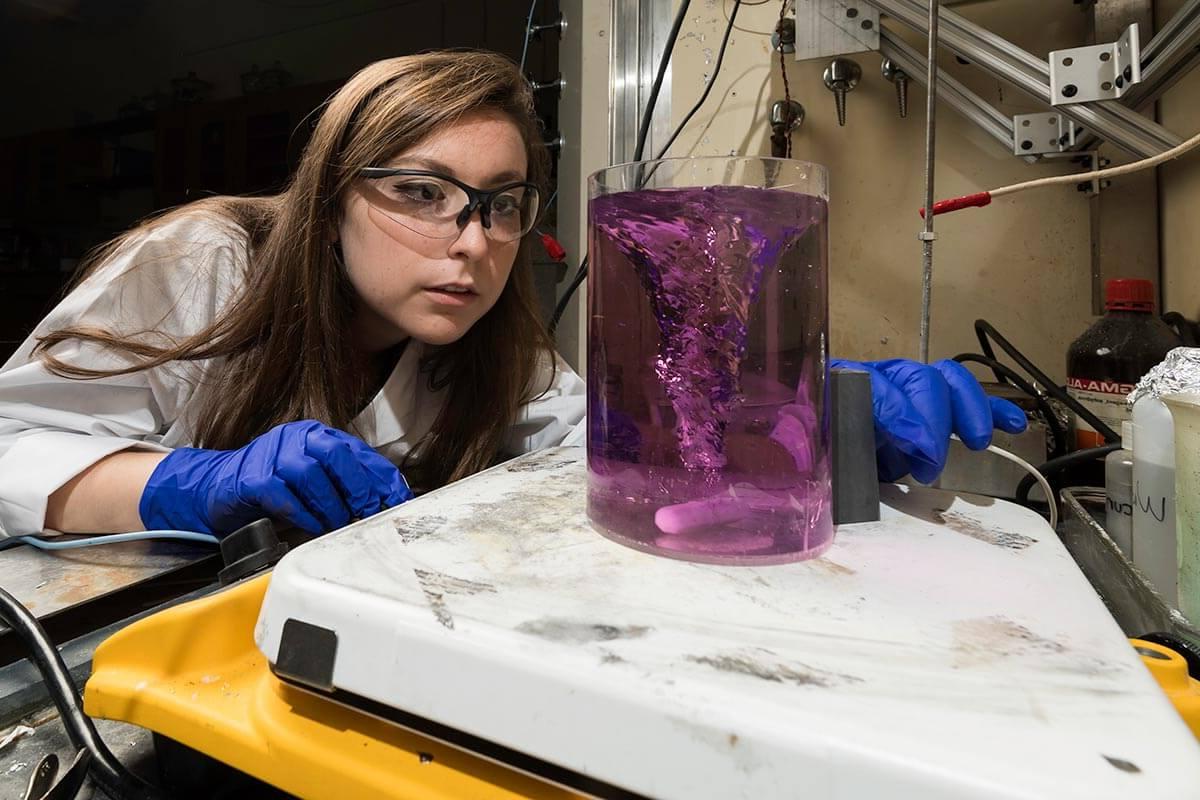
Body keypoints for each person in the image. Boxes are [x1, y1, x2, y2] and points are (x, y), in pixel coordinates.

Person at [0, 50, 1025, 541]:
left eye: (498, 204)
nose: (472, 242)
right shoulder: (206, 257)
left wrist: (822, 412)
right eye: (419, 192)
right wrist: (189, 484)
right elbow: (11, 447)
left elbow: (617, 437)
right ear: (330, 196)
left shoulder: (490, 342)